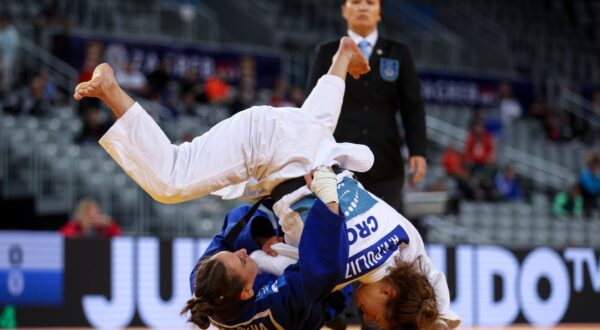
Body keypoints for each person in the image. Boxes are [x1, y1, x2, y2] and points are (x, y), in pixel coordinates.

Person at [74, 38, 458, 328]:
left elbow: (432, 283)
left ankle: (341, 57)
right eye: (379, 318)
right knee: (170, 181)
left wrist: (440, 319)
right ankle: (111, 90)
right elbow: (256, 280)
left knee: (316, 126)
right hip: (271, 149)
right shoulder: (337, 270)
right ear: (390, 292)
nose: (369, 317)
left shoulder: (404, 240)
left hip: (306, 150)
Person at [307, 0, 427, 211]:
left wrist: (417, 151)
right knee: (341, 230)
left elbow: (412, 107)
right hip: (337, 161)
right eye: (356, 2)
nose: (363, 7)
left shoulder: (399, 53)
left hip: (386, 164)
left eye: (370, 3)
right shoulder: (327, 52)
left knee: (387, 231)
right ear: (344, 10)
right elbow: (314, 103)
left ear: (379, 13)